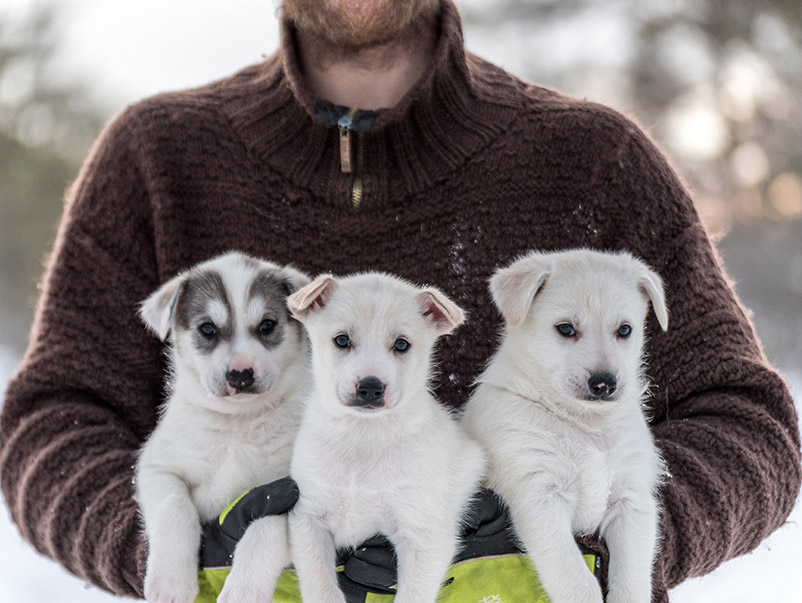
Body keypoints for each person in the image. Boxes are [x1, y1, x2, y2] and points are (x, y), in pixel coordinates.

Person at [0, 0, 799, 600]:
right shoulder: (157, 159)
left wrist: (583, 549)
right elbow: (51, 422)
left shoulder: (594, 162)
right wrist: (181, 548)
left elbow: (747, 423)